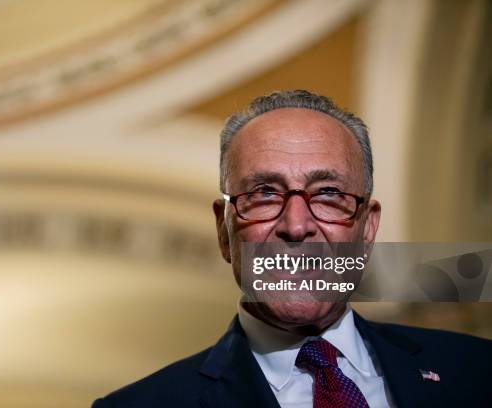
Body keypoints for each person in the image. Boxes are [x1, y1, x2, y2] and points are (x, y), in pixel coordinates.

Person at [92, 90, 492, 407]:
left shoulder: (477, 371)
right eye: (264, 194)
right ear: (223, 229)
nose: (296, 226)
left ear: (367, 230)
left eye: (329, 194)